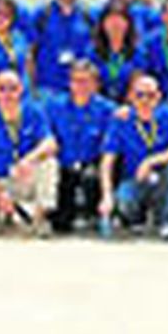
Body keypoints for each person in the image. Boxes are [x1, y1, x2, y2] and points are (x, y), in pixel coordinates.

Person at [98, 72, 168, 241]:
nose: (145, 100)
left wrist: (150, 162)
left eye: (151, 95)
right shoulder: (122, 119)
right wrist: (106, 195)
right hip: (134, 179)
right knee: (124, 206)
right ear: (131, 96)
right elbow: (107, 161)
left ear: (159, 96)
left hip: (162, 180)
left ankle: (167, 222)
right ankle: (136, 219)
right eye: (140, 95)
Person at [0, 69, 59, 233]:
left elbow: (51, 143)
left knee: (49, 163)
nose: (7, 94)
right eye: (2, 89)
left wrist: (29, 159)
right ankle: (7, 212)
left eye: (13, 88)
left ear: (21, 89)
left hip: (23, 176)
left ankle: (39, 217)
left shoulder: (34, 112)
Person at [43, 61, 116, 234]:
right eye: (76, 81)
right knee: (61, 223)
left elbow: (110, 147)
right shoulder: (53, 107)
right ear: (69, 83)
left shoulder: (107, 109)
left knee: (92, 177)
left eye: (86, 81)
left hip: (91, 167)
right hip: (64, 167)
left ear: (95, 84)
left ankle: (93, 215)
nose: (80, 86)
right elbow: (47, 138)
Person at [29, 0, 93, 97]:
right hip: (47, 91)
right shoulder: (41, 15)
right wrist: (32, 89)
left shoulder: (88, 17)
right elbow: (29, 55)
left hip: (78, 93)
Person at [89, 5, 139, 103]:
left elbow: (137, 84)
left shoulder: (138, 52)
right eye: (110, 20)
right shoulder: (92, 52)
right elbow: (91, 86)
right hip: (100, 108)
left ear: (128, 24)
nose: (115, 24)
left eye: (120, 20)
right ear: (102, 24)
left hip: (128, 108)